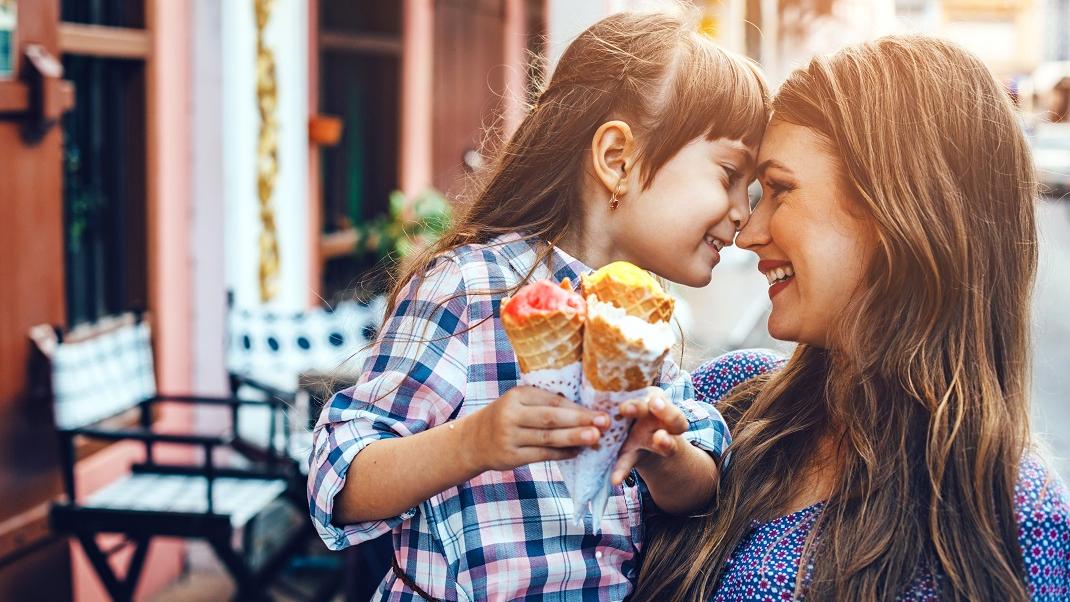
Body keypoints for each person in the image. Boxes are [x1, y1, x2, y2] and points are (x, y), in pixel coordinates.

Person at [307, 9, 772, 600]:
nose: (744, 213)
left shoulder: (645, 315)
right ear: (615, 158)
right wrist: (472, 443)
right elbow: (337, 479)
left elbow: (704, 483)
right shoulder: (471, 288)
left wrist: (664, 452)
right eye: (730, 175)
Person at [634, 35, 1070, 601]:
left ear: (898, 208)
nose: (748, 231)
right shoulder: (722, 402)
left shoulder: (1016, 519)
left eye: (780, 190)